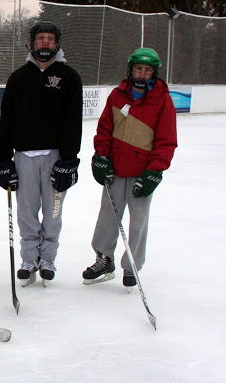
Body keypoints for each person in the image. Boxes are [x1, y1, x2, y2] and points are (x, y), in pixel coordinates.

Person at [0, 20, 82, 286]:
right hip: (24, 157)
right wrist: (4, 160)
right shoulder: (18, 78)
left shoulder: (69, 77)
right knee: (27, 212)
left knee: (53, 212)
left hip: (56, 157)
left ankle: (48, 259)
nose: (45, 43)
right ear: (32, 43)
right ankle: (29, 258)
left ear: (57, 44)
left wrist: (69, 160)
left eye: (50, 39)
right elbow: (7, 121)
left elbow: (73, 122)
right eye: (40, 39)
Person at [82, 48, 177, 287]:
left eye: (147, 70)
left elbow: (166, 140)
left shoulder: (162, 100)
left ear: (154, 73)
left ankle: (132, 265)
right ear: (130, 69)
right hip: (116, 168)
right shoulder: (117, 95)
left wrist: (154, 171)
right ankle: (104, 258)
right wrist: (101, 156)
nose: (142, 74)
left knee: (139, 220)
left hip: (142, 172)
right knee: (108, 214)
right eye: (138, 69)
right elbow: (104, 129)